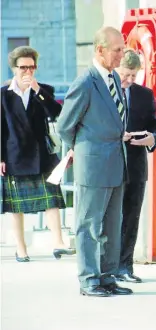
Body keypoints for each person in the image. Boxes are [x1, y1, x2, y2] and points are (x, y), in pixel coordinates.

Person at [56, 26, 132, 297]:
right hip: (93, 164)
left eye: (122, 49)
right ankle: (89, 279)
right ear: (100, 50)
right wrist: (83, 147)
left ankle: (107, 277)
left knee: (112, 225)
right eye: (117, 50)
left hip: (116, 164)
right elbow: (64, 126)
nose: (122, 55)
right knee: (88, 225)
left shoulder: (113, 78)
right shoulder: (86, 82)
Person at [1, 46, 74, 262]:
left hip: (41, 154)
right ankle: (21, 247)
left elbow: (57, 113)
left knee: (51, 199)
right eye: (23, 67)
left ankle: (58, 242)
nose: (27, 72)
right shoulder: (3, 95)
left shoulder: (44, 90)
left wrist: (37, 91)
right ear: (14, 68)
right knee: (16, 206)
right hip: (15, 154)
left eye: (31, 67)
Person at [114, 49, 156, 283]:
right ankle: (107, 267)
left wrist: (152, 138)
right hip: (110, 162)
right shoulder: (105, 91)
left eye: (134, 76)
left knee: (131, 217)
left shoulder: (144, 94)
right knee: (109, 218)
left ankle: (125, 266)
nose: (130, 80)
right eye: (126, 75)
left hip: (135, 164)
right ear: (116, 70)